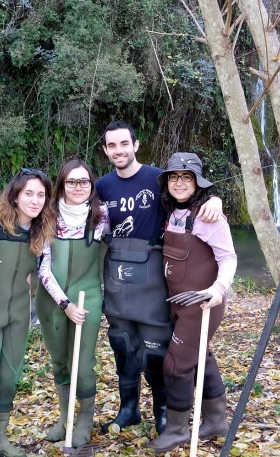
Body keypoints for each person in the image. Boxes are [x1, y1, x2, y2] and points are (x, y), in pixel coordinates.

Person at [95, 120, 223, 435]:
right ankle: (129, 410)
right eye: (112, 146)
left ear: (135, 145)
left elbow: (189, 198)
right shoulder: (101, 186)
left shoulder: (157, 179)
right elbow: (68, 210)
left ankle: (163, 412)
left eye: (124, 144)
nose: (118, 151)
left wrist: (214, 200)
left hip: (154, 273)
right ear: (105, 150)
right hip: (116, 274)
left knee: (156, 349)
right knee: (122, 343)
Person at [146, 152, 236, 452]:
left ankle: (176, 429)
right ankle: (216, 421)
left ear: (198, 183)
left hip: (202, 304)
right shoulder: (171, 212)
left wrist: (218, 289)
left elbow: (228, 257)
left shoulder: (208, 215)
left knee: (175, 365)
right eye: (174, 177)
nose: (179, 182)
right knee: (201, 357)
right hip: (177, 303)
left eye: (187, 177)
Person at [0, 168, 57, 457]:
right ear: (15, 195)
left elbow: (36, 271)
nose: (34, 200)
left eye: (40, 195)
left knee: (9, 376)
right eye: (28, 193)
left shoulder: (41, 229)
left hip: (19, 313)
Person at [34, 160, 109, 447]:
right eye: (72, 181)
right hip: (52, 300)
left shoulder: (102, 216)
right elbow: (43, 268)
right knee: (60, 361)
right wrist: (64, 303)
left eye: (84, 182)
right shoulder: (47, 217)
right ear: (62, 184)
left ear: (91, 186)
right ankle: (65, 416)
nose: (78, 187)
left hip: (88, 297)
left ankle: (85, 418)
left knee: (83, 363)